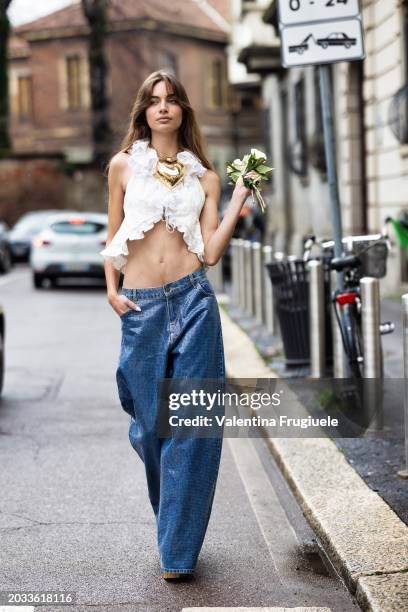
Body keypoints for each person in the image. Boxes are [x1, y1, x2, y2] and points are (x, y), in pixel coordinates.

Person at [100, 70, 259, 581]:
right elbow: (113, 230)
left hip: (193, 302)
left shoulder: (204, 177)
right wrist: (112, 288)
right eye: (153, 100)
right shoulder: (124, 166)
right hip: (141, 305)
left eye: (171, 100)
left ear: (184, 110)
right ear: (143, 111)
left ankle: (177, 553)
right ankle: (173, 521)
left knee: (190, 428)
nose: (163, 108)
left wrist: (236, 201)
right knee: (149, 429)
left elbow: (209, 252)